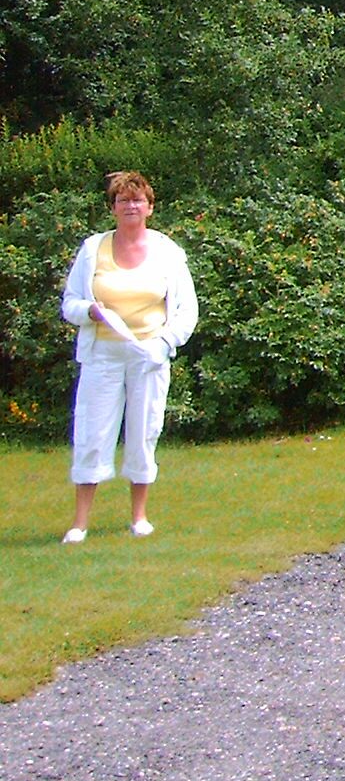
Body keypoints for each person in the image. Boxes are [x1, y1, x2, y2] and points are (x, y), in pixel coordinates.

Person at [57, 171, 198, 544]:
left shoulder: (168, 252)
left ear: (149, 207)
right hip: (102, 354)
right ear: (114, 208)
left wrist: (164, 343)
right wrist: (90, 310)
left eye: (137, 200)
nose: (130, 206)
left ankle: (139, 517)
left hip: (149, 355)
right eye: (123, 201)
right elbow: (70, 303)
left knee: (143, 431)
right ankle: (80, 523)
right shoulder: (92, 249)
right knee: (92, 432)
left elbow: (187, 311)